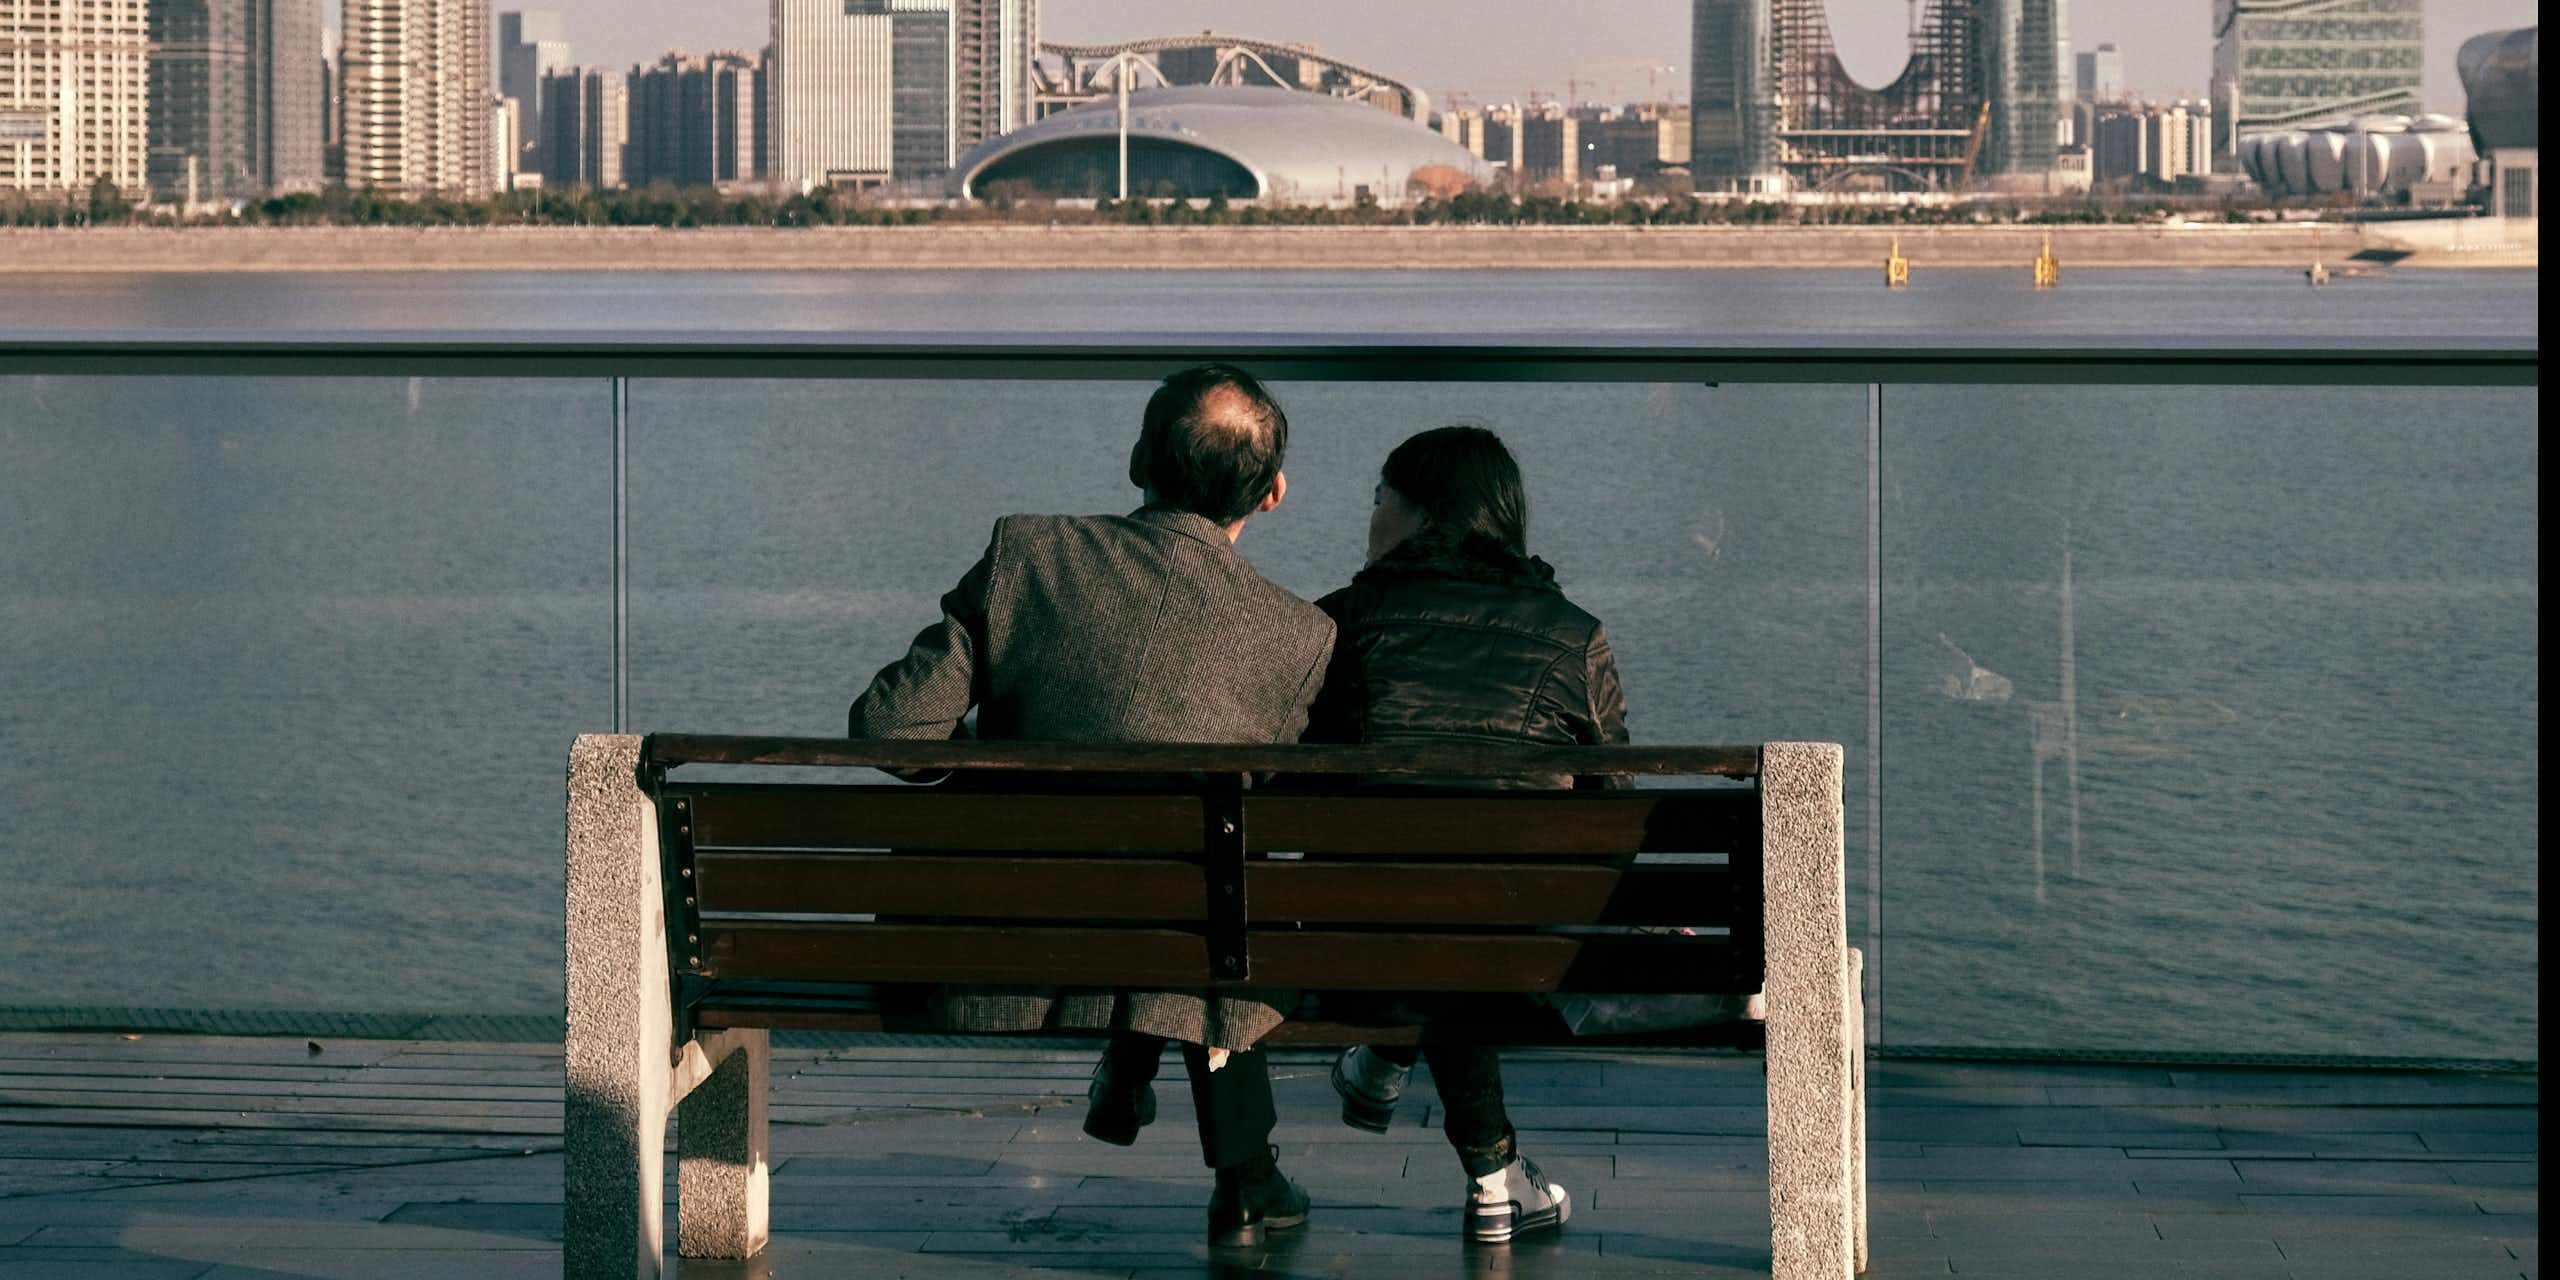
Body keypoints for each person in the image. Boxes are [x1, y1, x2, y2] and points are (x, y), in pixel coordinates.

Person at [846, 364, 1334, 1248]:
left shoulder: (1026, 554)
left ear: (1138, 459)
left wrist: (998, 784)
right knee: (1224, 896)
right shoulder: (1299, 637)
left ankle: (1158, 1086)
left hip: (1004, 939)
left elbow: (891, 728)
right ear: (1273, 496)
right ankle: (1244, 1175)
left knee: (1194, 890)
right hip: (1187, 946)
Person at [1313, 424, 1628, 1243]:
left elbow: (1284, 781)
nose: (1370, 517)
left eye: (1380, 499)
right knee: (1464, 907)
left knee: (1413, 891)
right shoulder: (1572, 633)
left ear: (1423, 515)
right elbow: (1614, 805)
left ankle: (1394, 1064)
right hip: (1516, 957)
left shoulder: (1341, 624)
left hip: (1342, 949)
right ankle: (1494, 1176)